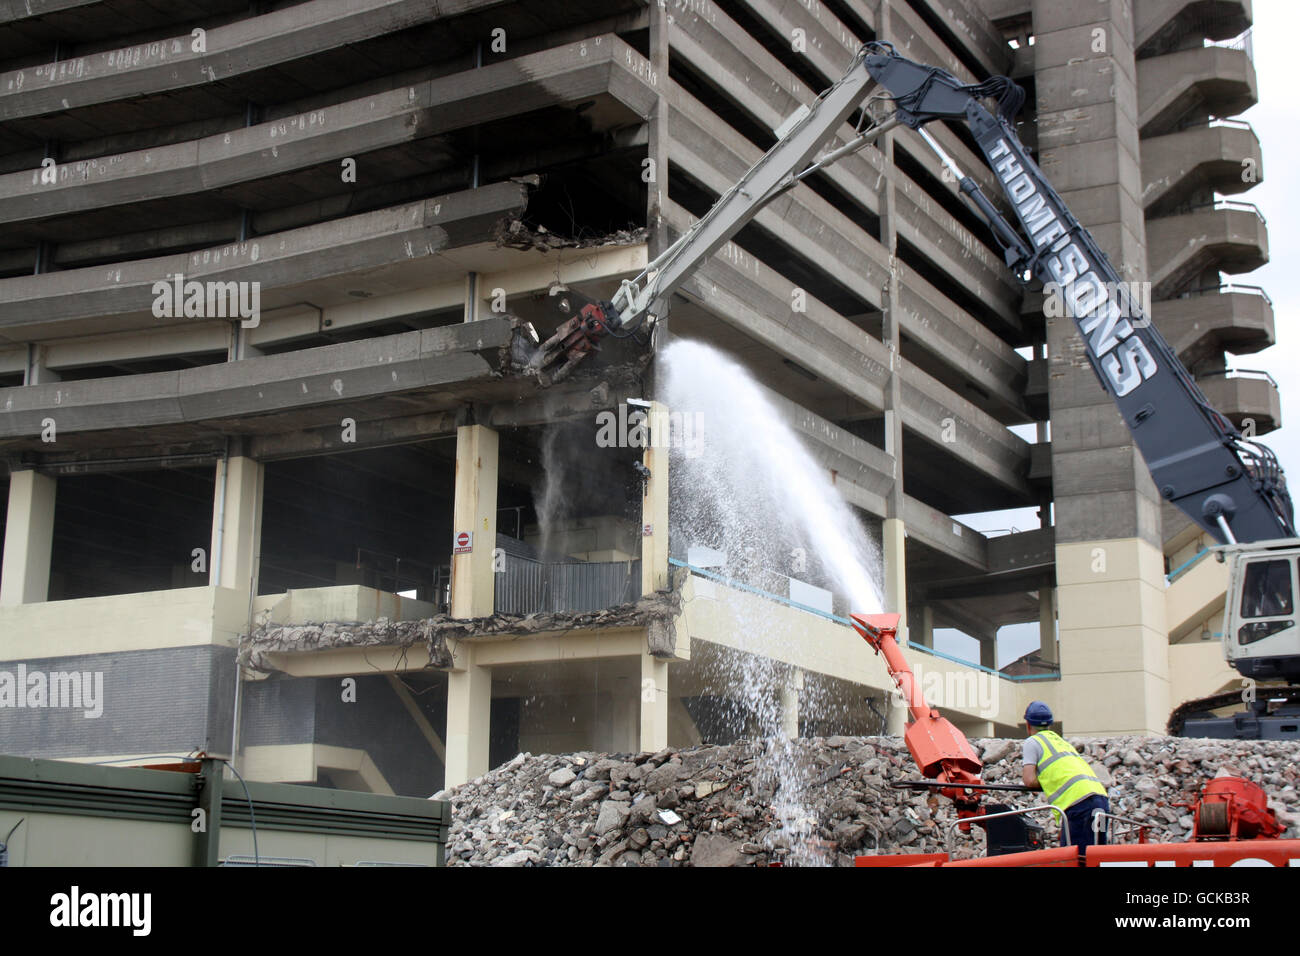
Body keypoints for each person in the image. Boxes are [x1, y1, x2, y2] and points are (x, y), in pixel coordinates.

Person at [1021, 701, 1109, 852]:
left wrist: (1046, 781)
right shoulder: (1062, 743)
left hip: (1079, 803)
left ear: (1028, 725)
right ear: (1050, 724)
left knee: (1074, 857)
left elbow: (1029, 780)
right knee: (1096, 856)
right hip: (1100, 800)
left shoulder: (1032, 742)